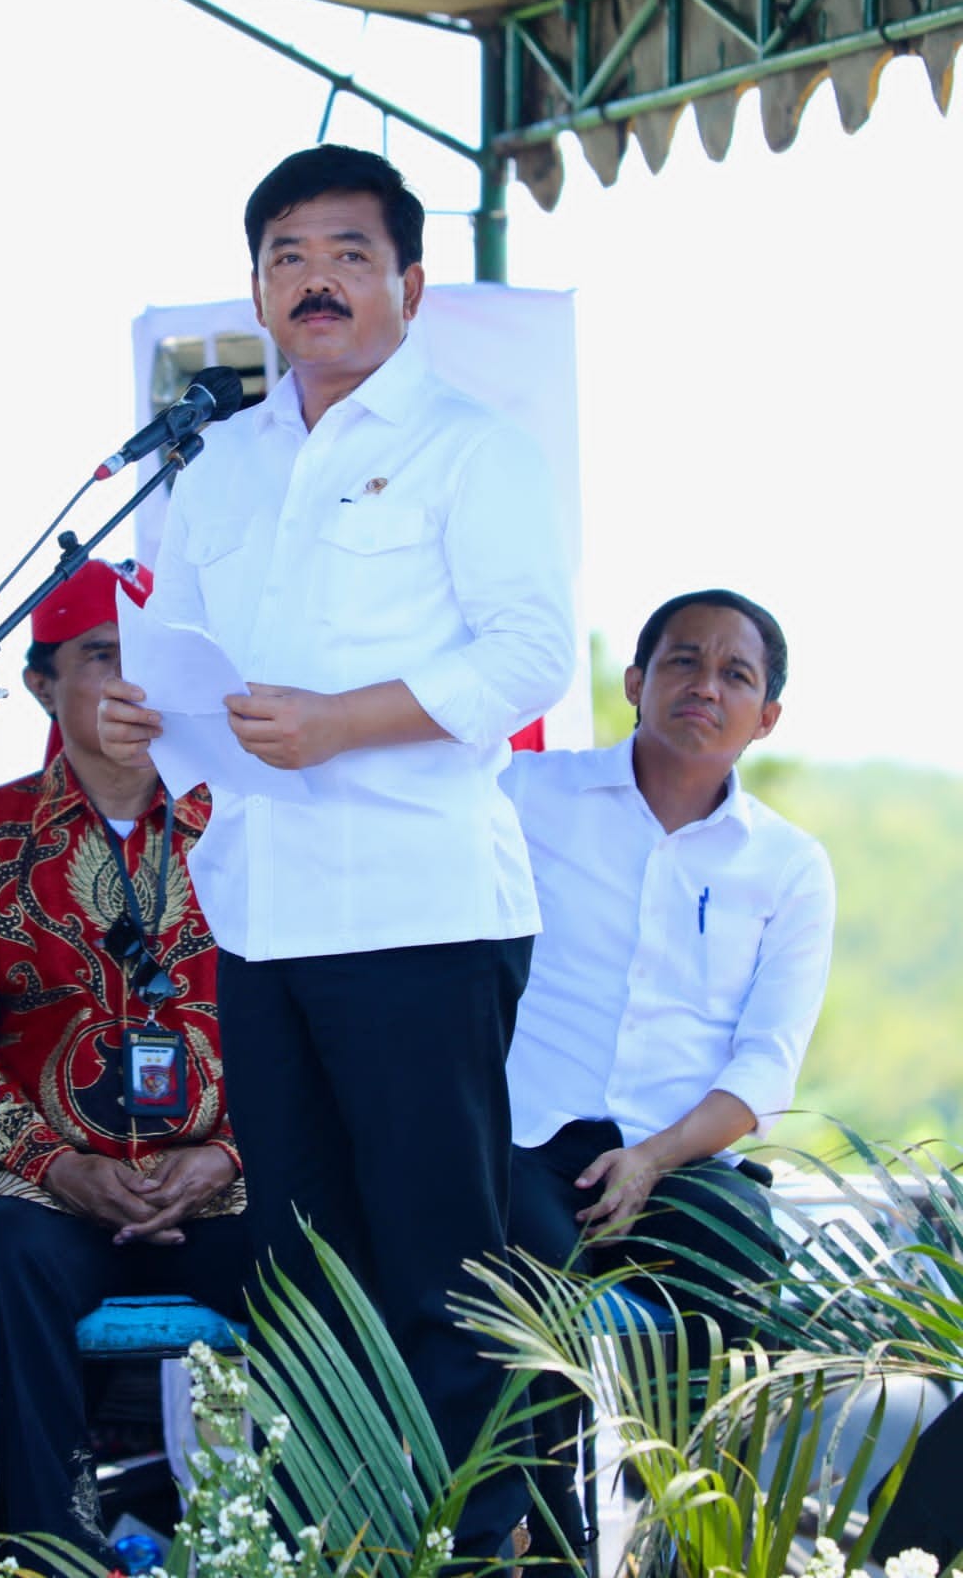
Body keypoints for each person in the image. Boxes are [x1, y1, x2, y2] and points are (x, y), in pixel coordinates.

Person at [97, 143, 576, 1558]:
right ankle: (344, 1542)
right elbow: (187, 663)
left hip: (420, 909)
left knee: (442, 1273)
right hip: (262, 915)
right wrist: (144, 713)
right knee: (308, 1279)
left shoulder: (471, 447)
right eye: (290, 257)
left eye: (349, 255)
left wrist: (344, 725)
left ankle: (482, 1545)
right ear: (257, 288)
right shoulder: (217, 466)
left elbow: (530, 656)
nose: (316, 281)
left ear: (410, 287)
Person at [0, 559, 250, 1567]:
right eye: (103, 657)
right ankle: (46, 1546)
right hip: (49, 1189)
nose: (133, 684)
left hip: (220, 1181)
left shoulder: (244, 820)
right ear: (37, 685)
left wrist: (228, 1155)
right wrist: (62, 1168)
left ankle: (284, 1538)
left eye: (151, 660)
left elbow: (296, 1026)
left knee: (330, 1244)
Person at [500, 589, 835, 1564]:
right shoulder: (527, 797)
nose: (706, 685)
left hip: (680, 1154)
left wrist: (652, 1157)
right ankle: (547, 1542)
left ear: (765, 717)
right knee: (522, 1258)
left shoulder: (788, 866)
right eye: (683, 660)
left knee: (739, 1248)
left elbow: (765, 1061)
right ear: (635, 681)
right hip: (528, 1138)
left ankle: (691, 1535)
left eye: (737, 673)